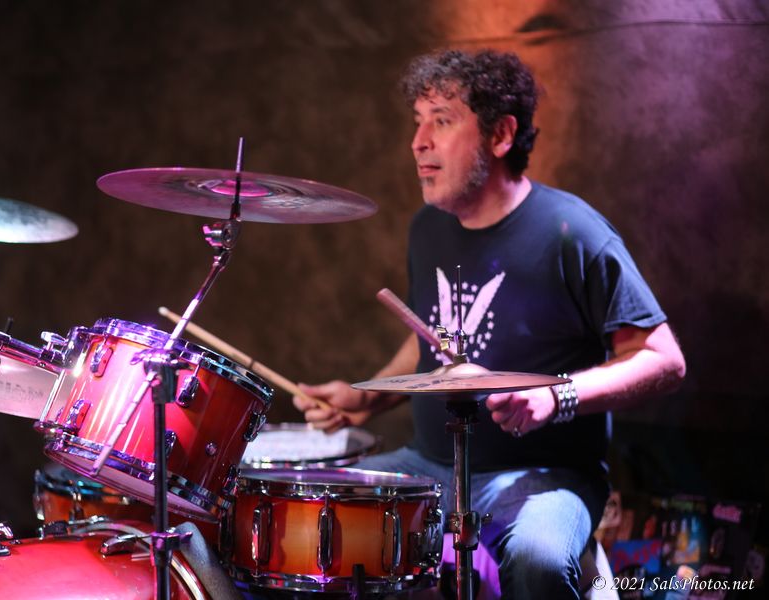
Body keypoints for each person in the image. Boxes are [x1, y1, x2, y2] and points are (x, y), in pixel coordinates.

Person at [294, 49, 686, 599]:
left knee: (538, 560)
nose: (418, 142)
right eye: (418, 122)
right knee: (313, 512)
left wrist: (556, 396)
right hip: (428, 462)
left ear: (501, 135)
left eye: (441, 121)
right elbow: (434, 337)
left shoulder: (573, 232)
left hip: (544, 474)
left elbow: (663, 359)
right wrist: (369, 397)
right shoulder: (428, 228)